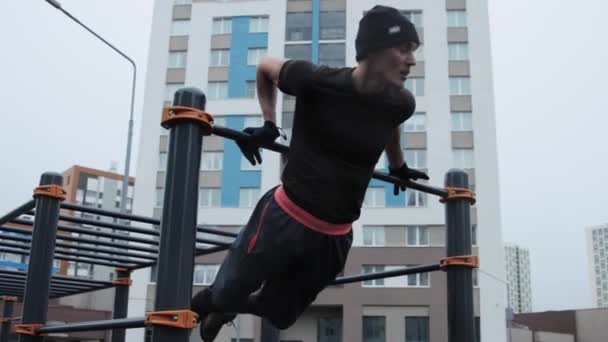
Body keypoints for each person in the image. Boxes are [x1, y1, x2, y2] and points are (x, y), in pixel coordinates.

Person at [191, 5, 429, 341]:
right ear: (374, 50)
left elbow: (391, 124)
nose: (412, 61)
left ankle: (229, 306)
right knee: (221, 294)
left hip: (334, 237)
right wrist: (270, 124)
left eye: (413, 52)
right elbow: (264, 66)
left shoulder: (402, 102)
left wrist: (398, 165)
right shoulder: (317, 81)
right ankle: (217, 303)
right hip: (283, 218)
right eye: (404, 49)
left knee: (280, 314)